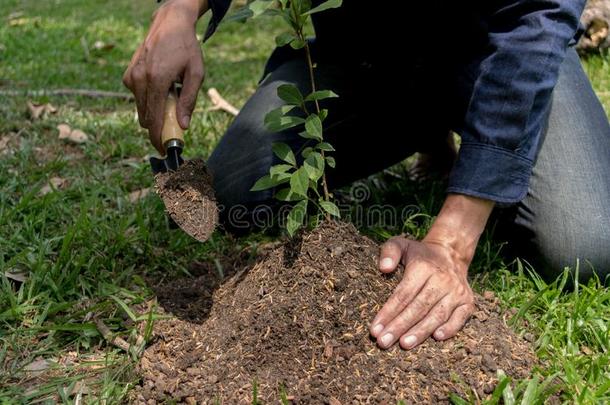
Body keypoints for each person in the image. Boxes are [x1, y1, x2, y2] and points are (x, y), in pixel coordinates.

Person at [123, 0, 610, 350]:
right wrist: (180, 9)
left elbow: (539, 17)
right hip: (363, 57)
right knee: (231, 197)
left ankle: (474, 132)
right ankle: (423, 125)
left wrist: (452, 240)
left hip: (498, 49)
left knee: (585, 243)